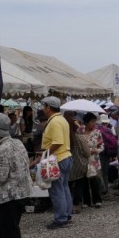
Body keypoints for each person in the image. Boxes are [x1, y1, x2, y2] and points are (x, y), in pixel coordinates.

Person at [0, 113, 33, 238]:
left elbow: (0, 177)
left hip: (8, 197)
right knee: (7, 231)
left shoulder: (1, 150)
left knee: (9, 234)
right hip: (22, 193)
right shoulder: (17, 143)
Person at [41, 96, 73, 229]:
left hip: (58, 158)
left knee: (57, 190)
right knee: (64, 188)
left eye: (44, 106)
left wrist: (45, 153)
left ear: (48, 107)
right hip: (66, 157)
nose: (43, 109)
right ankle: (66, 214)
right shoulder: (61, 119)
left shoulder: (54, 122)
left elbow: (58, 141)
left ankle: (60, 218)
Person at [65, 111, 90, 214]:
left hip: (67, 164)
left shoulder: (64, 138)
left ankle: (66, 205)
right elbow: (87, 153)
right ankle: (76, 205)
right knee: (79, 185)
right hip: (80, 165)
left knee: (67, 186)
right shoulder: (80, 138)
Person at [82, 112, 104, 208]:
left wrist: (97, 150)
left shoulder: (97, 132)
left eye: (95, 121)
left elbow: (102, 146)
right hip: (83, 159)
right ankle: (86, 201)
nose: (94, 123)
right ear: (86, 123)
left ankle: (97, 200)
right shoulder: (80, 131)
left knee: (94, 180)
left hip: (93, 159)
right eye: (92, 121)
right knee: (84, 180)